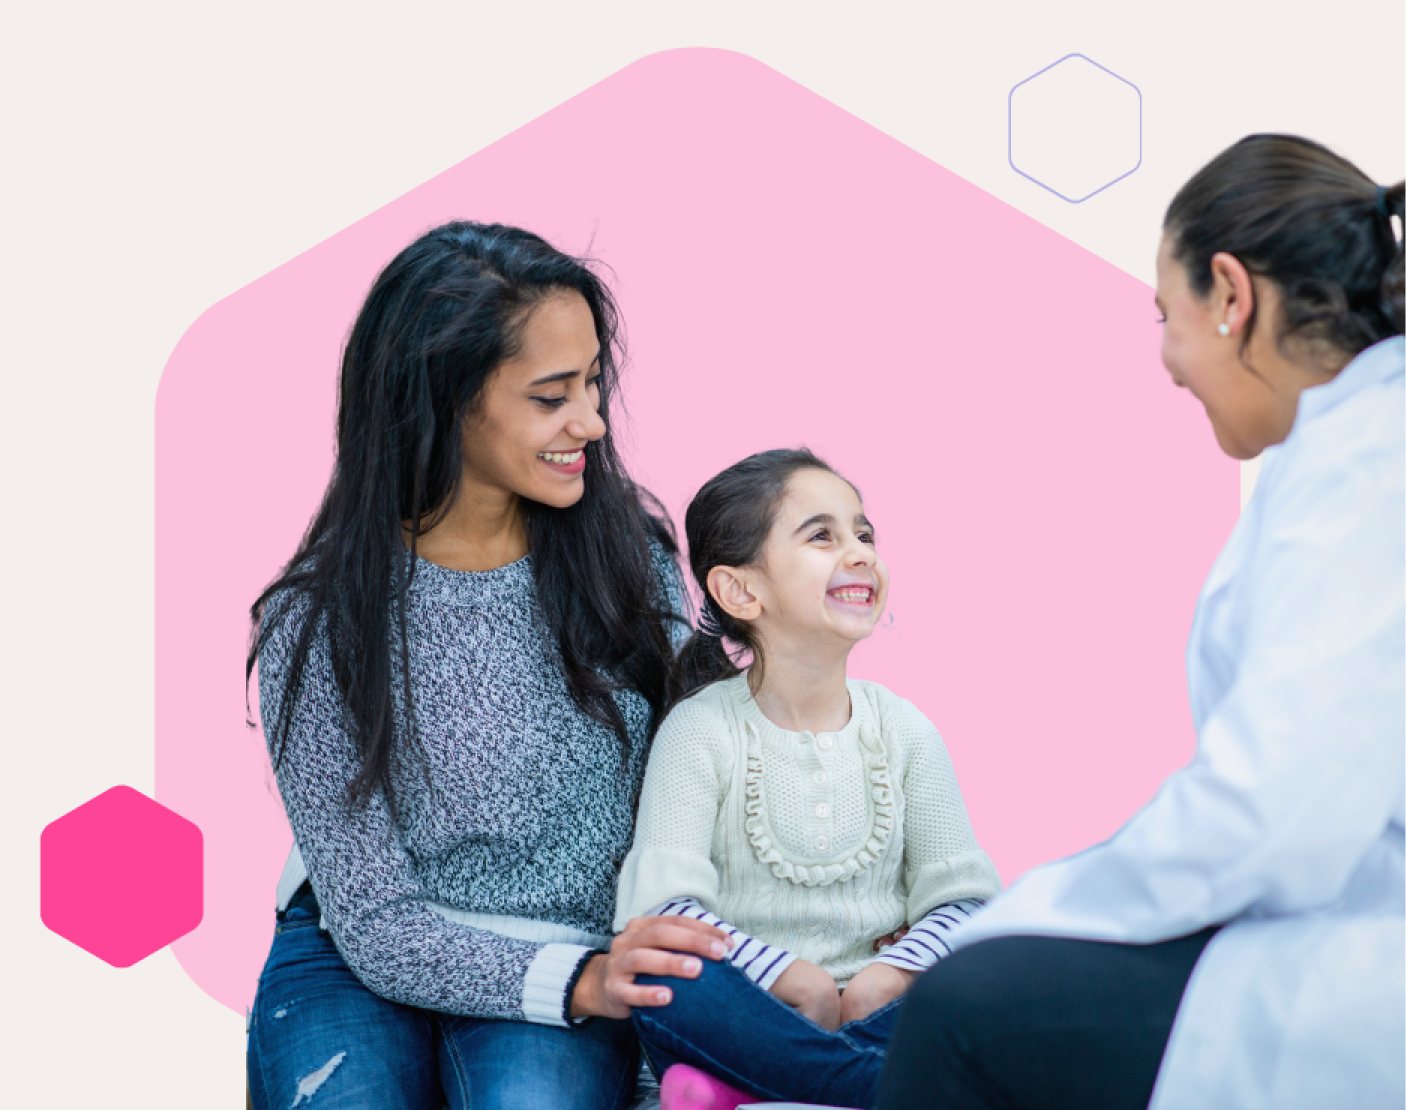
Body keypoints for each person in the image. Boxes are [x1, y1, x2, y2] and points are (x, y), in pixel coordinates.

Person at [879, 135, 1406, 1110]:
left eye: (1163, 314)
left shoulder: (1362, 471)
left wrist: (1022, 916)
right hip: (1344, 914)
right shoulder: (1355, 446)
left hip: (1367, 971)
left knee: (962, 1008)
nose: (1166, 361)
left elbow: (1275, 815)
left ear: (1228, 294)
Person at [244, 221, 733, 1110]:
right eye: (552, 396)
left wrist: (657, 1044)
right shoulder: (317, 621)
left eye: (592, 382)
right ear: (443, 399)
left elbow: (697, 798)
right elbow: (376, 923)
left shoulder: (631, 560)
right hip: (360, 950)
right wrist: (586, 984)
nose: (589, 420)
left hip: (571, 938)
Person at [613, 448, 1003, 1109]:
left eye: (864, 533)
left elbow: (964, 905)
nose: (859, 552)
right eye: (822, 535)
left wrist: (890, 974)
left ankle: (750, 1088)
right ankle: (898, 1090)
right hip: (745, 1014)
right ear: (741, 591)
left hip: (876, 1013)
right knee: (666, 973)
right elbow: (662, 914)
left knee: (997, 965)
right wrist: (791, 977)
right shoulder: (701, 731)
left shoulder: (905, 732)